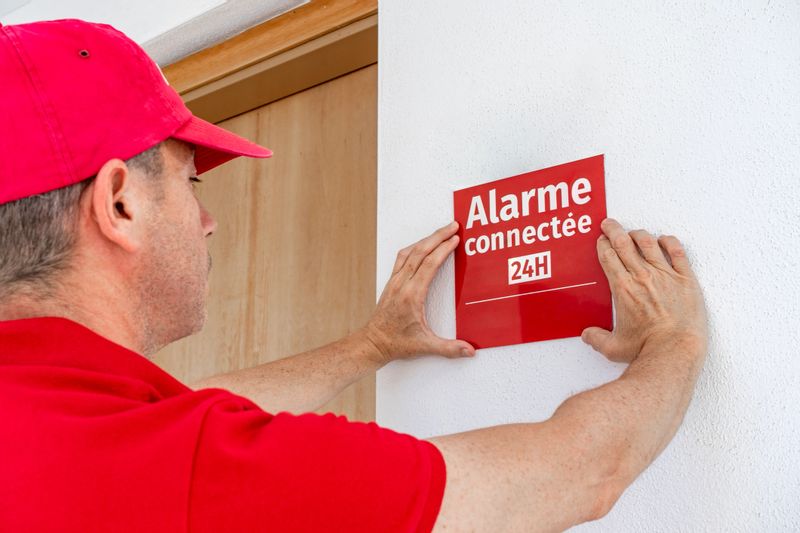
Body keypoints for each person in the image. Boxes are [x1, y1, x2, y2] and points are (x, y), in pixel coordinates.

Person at [0, 18, 708, 533]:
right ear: (119, 202)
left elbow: (189, 405)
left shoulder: (77, 427)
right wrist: (675, 344)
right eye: (190, 182)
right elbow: (581, 474)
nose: (208, 220)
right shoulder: (194, 471)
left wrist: (370, 346)